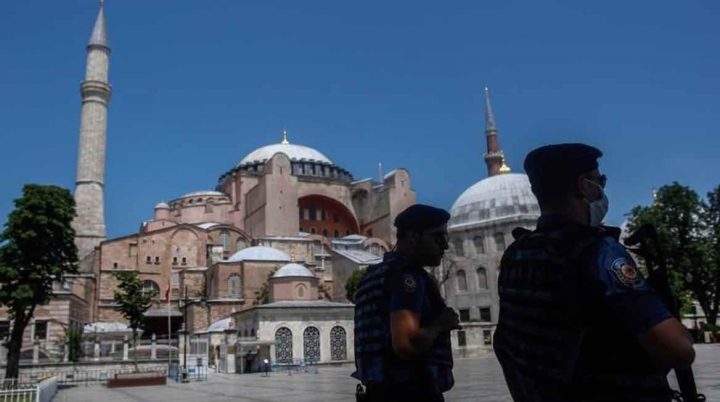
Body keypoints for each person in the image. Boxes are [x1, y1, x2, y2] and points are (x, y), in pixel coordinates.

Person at [494, 143, 696, 402]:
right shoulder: (597, 251)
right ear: (584, 186)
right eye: (599, 181)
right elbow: (678, 351)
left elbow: (505, 344)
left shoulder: (516, 255)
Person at [353, 204, 461, 402]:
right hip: (410, 391)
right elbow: (405, 344)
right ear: (412, 236)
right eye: (438, 237)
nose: (444, 245)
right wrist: (441, 323)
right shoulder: (407, 277)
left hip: (378, 391)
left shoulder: (373, 275)